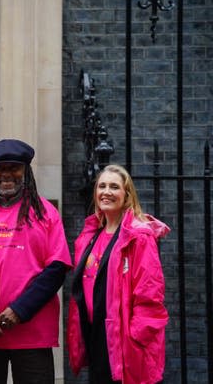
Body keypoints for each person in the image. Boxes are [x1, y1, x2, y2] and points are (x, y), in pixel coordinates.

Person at [0, 139, 72, 384]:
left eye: (14, 167)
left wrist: (18, 311)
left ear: (25, 171)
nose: (6, 174)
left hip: (32, 330)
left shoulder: (46, 213)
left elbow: (57, 268)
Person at [68, 164, 169, 384]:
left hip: (125, 340)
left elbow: (150, 291)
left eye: (114, 187)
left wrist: (136, 337)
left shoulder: (138, 237)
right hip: (97, 335)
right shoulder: (90, 237)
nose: (106, 192)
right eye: (102, 186)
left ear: (127, 195)